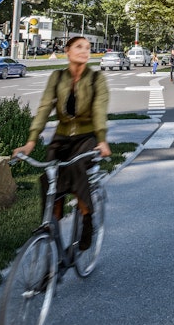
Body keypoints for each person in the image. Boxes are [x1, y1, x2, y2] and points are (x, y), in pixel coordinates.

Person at [11, 36, 110, 250]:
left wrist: (101, 140)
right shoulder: (57, 78)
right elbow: (44, 108)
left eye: (88, 48)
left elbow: (99, 111)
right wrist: (31, 141)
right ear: (67, 51)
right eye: (79, 47)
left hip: (87, 137)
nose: (85, 51)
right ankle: (49, 229)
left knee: (75, 169)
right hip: (61, 137)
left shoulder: (96, 79)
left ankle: (87, 219)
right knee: (48, 179)